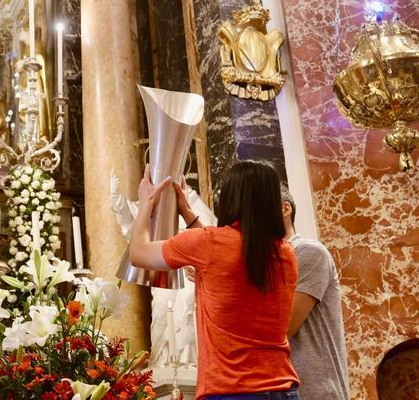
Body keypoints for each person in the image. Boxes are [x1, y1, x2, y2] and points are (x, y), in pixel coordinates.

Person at [129, 161, 300, 400]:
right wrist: (188, 213)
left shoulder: (208, 245)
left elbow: (138, 253)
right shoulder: (286, 253)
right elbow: (233, 250)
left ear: (229, 198)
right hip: (283, 388)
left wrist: (146, 204)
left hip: (232, 390)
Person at [282, 187, 350, 399]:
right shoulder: (266, 265)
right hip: (285, 390)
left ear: (285, 209)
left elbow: (283, 329)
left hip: (318, 392)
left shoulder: (308, 251)